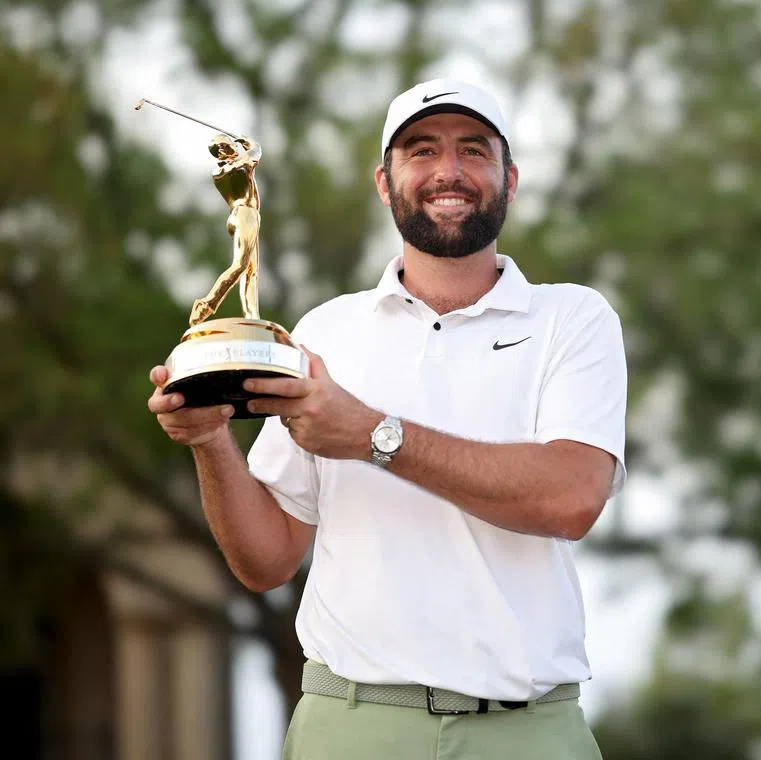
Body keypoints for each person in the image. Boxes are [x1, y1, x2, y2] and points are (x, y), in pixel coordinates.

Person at [147, 78, 627, 759]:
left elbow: (572, 497)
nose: (449, 171)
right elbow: (267, 559)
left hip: (528, 730)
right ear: (385, 181)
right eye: (422, 150)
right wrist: (209, 442)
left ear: (510, 179)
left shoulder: (572, 318)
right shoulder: (323, 332)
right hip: (352, 723)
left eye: (473, 151)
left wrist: (375, 436)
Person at [190, 134, 263, 325]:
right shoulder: (236, 166)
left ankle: (252, 317)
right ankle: (207, 304)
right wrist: (249, 142)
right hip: (245, 214)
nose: (235, 146)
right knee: (240, 266)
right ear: (222, 152)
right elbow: (256, 152)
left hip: (241, 216)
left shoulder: (220, 173)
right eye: (230, 145)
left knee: (251, 271)